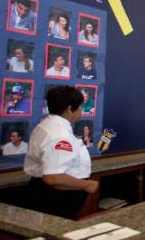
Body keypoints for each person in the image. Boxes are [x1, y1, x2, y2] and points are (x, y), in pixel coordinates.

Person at [24, 86, 99, 219]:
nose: (81, 111)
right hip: (56, 198)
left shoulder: (47, 125)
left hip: (48, 194)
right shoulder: (59, 135)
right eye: (80, 107)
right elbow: (53, 178)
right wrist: (87, 185)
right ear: (70, 109)